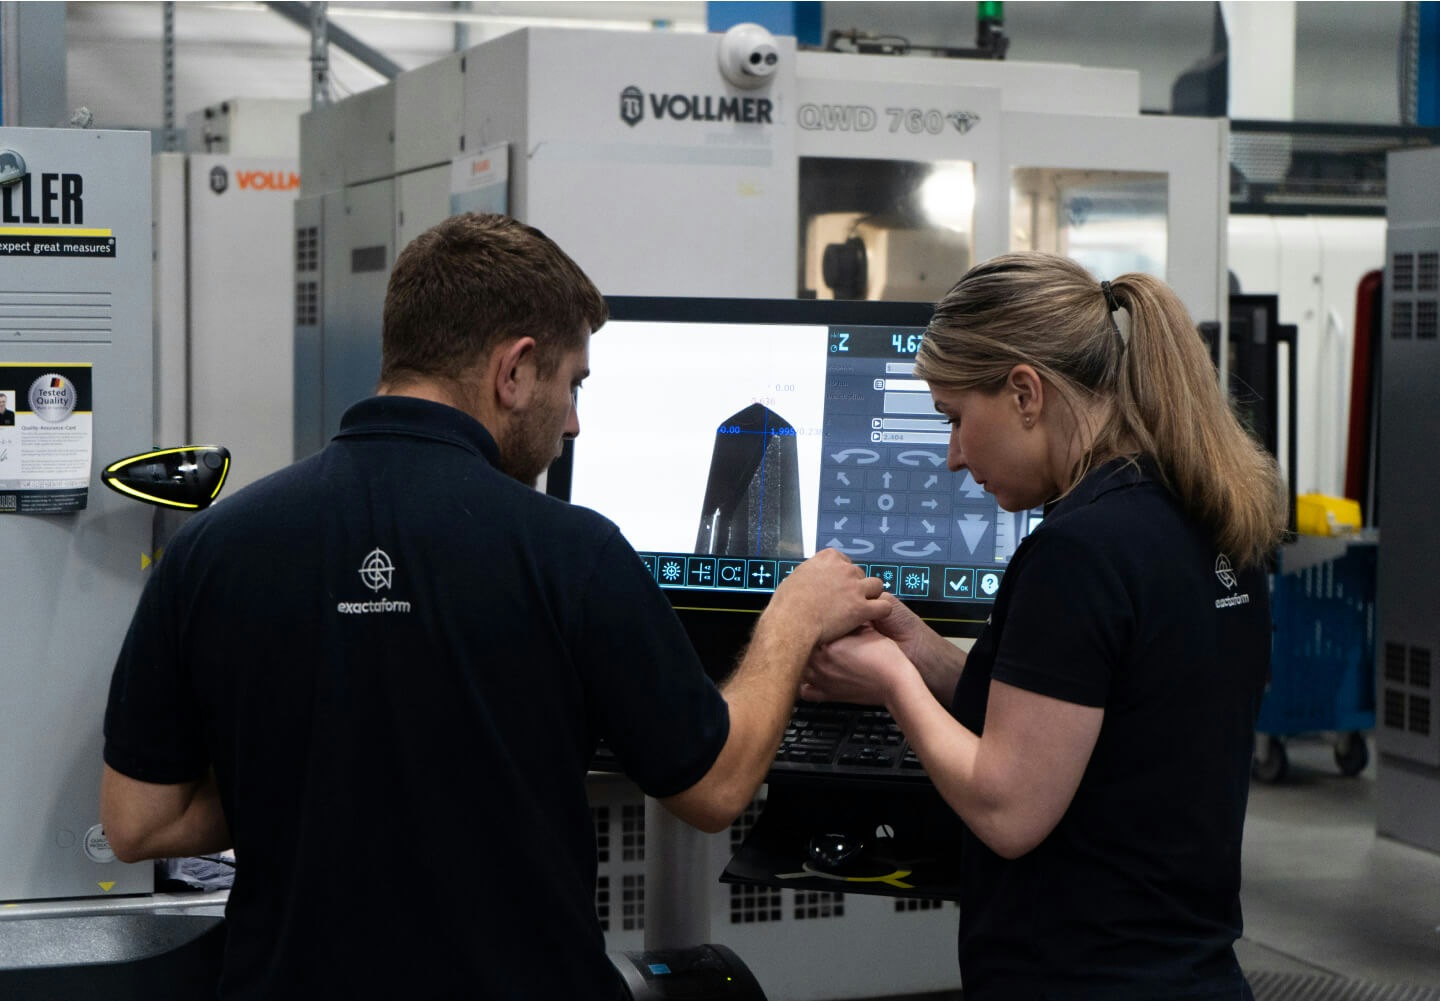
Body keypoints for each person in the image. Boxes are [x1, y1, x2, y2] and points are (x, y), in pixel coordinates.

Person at [100, 212, 888, 1000]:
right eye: (571, 382)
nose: (574, 420)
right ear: (514, 371)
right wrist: (792, 617)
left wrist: (321, 775)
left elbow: (139, 822)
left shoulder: (210, 551)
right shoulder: (570, 553)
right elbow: (715, 788)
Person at [800, 251, 1288, 1001]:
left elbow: (1010, 806)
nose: (955, 457)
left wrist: (893, 682)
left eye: (957, 419)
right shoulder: (1210, 513)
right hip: (1189, 972)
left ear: (1025, 391)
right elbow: (1084, 722)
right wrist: (919, 648)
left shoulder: (1076, 551)